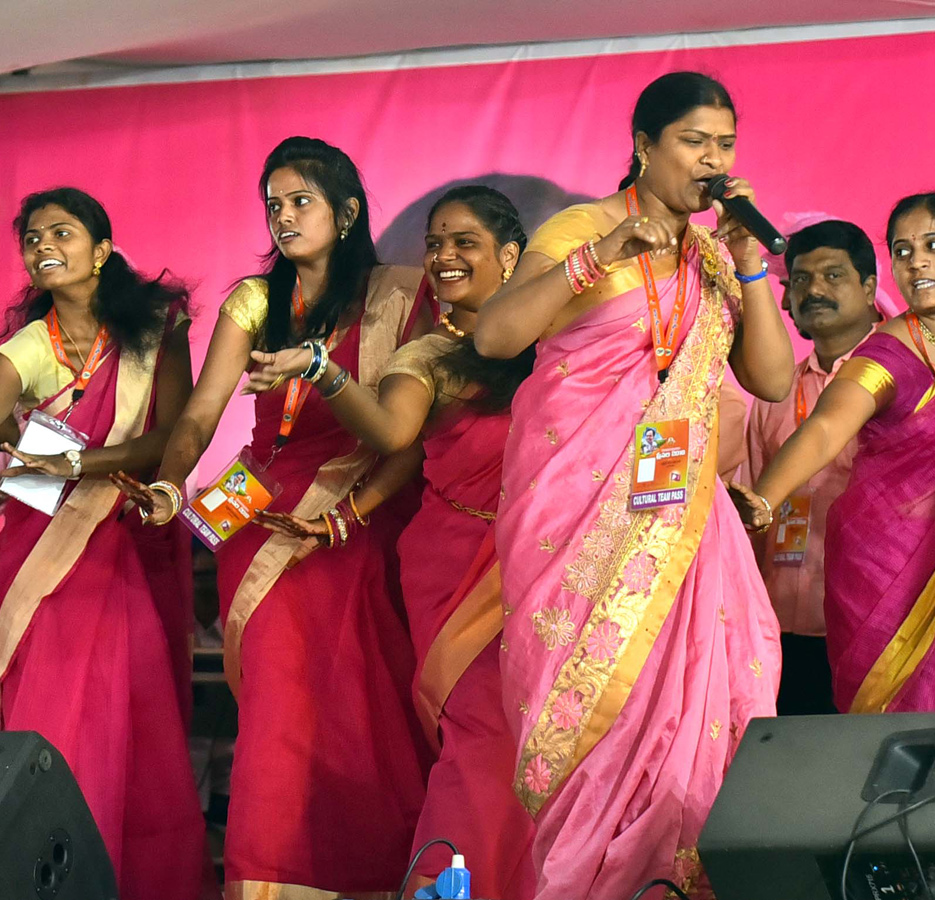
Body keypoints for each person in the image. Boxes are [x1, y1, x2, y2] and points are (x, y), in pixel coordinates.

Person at [472, 71, 793, 899]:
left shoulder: (718, 254)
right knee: (592, 714)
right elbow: (497, 333)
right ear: (645, 146)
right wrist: (595, 258)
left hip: (684, 510)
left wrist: (751, 268)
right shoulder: (582, 227)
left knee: (713, 682)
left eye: (725, 145)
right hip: (574, 508)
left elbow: (770, 375)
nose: (713, 161)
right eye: (695, 143)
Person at [114, 136, 433, 898]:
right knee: (278, 704)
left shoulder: (398, 294)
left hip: (363, 516)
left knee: (366, 703)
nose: (284, 219)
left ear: (347, 212)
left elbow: (410, 430)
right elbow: (197, 417)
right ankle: (273, 875)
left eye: (301, 202)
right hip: (261, 519)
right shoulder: (255, 303)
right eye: (274, 206)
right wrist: (169, 486)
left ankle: (376, 872)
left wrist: (348, 511)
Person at [244, 185, 538, 898]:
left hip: (550, 564)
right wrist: (322, 369)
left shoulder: (557, 341)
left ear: (511, 256)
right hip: (457, 565)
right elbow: (393, 437)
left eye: (464, 242)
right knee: (483, 739)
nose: (443, 255)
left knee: (546, 743)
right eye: (435, 243)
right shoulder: (427, 354)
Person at [732, 192, 935, 715]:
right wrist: (764, 498)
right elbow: (828, 428)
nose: (915, 260)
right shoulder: (888, 349)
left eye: (933, 245)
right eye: (902, 250)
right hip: (883, 576)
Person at [0, 188, 205, 900]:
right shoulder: (31, 340)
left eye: (61, 231)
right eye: (31, 237)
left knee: (126, 715)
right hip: (38, 544)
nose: (42, 245)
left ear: (103, 248)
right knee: (47, 702)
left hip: (125, 532)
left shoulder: (154, 328)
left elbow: (169, 437)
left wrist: (78, 466)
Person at [744, 219, 882, 716]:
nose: (814, 290)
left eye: (833, 276)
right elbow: (756, 508)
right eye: (801, 279)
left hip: (867, 617)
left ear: (869, 288)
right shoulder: (774, 393)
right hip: (780, 626)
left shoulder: (898, 381)